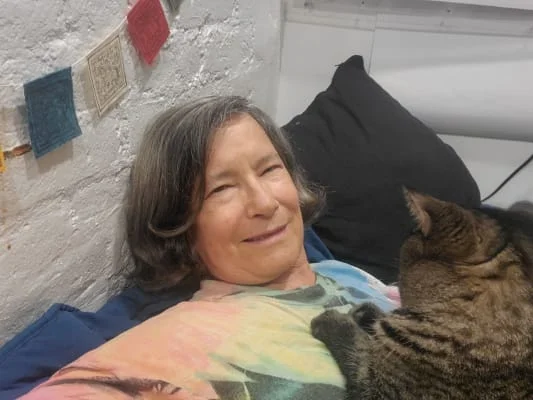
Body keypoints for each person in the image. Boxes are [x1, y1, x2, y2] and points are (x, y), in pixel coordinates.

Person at [21, 95, 397, 400]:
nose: (265, 203)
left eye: (269, 169)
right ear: (181, 231)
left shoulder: (342, 272)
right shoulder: (187, 340)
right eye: (222, 189)